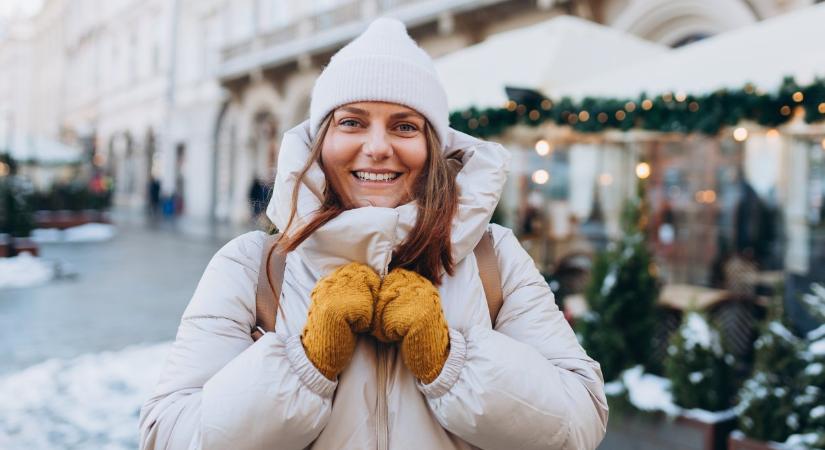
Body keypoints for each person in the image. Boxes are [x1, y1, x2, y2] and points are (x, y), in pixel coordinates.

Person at [139, 18, 607, 450]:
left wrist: (451, 361)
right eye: (352, 122)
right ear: (321, 140)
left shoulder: (494, 258)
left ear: (432, 146)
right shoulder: (250, 266)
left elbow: (580, 422)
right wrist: (305, 363)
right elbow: (170, 434)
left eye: (404, 126)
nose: (378, 147)